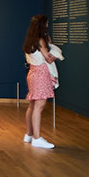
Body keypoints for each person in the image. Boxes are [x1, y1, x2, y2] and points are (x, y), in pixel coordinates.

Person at [22, 14, 57, 149]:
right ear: (42, 25)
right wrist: (56, 54)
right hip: (41, 74)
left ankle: (29, 134)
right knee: (39, 106)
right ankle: (37, 138)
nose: (48, 25)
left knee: (32, 105)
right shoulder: (40, 40)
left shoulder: (29, 40)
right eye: (46, 23)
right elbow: (48, 59)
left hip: (32, 73)